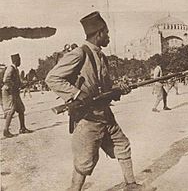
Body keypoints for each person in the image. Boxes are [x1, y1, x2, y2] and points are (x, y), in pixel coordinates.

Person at [46, 11, 154, 191]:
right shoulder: (79, 53)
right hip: (88, 119)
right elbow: (52, 78)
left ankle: (131, 185)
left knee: (122, 145)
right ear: (99, 34)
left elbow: (105, 88)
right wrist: (77, 94)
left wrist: (118, 91)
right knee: (84, 164)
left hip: (105, 114)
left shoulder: (101, 56)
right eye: (107, 33)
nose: (109, 37)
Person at [2, 54, 32, 137]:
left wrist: (24, 84)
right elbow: (6, 80)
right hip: (9, 91)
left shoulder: (16, 70)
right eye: (19, 60)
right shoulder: (10, 68)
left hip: (14, 92)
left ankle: (22, 128)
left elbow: (18, 83)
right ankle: (6, 131)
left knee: (21, 109)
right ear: (16, 61)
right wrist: (13, 87)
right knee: (11, 110)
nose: (20, 62)